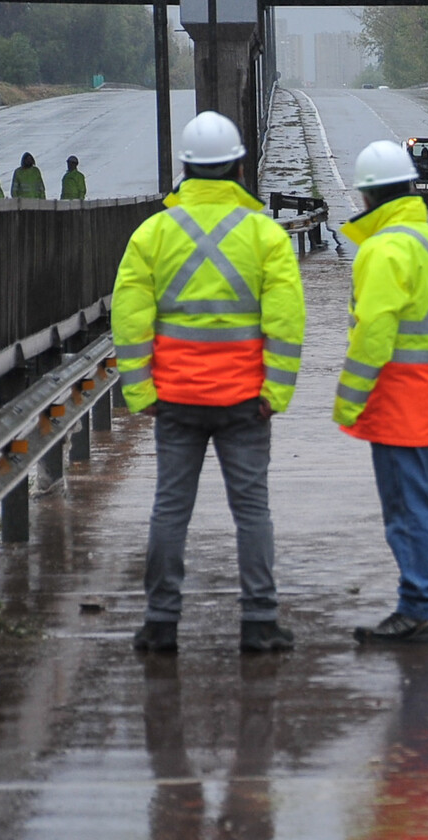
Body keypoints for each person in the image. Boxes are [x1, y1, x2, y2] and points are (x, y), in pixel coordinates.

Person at [112, 110, 306, 654]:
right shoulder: (265, 236)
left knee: (170, 509)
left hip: (175, 400)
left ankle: (160, 622)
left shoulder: (151, 235)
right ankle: (260, 622)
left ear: (187, 170)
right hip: (247, 401)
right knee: (253, 511)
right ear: (240, 168)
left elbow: (128, 320)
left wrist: (140, 392)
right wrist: (276, 393)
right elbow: (287, 323)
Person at [334, 139, 428, 645]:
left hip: (400, 401)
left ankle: (419, 610)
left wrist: (348, 397)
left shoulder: (382, 249)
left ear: (368, 196)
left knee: (407, 512)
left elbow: (375, 333)